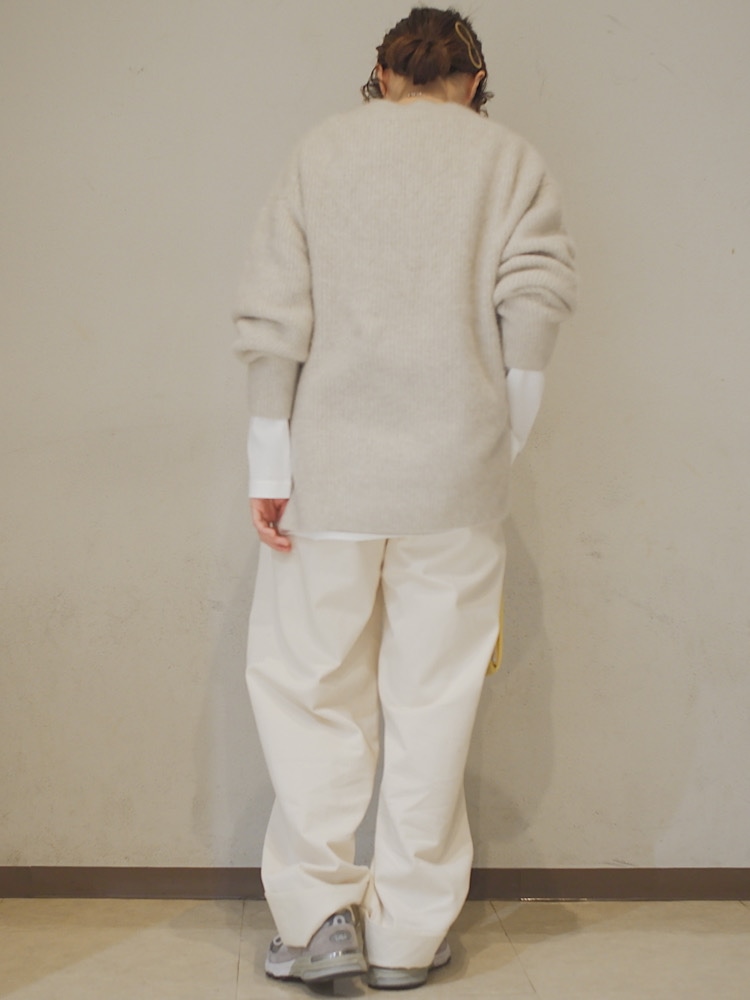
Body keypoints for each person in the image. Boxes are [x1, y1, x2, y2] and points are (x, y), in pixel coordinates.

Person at [233, 6, 576, 991]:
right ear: (475, 81)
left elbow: (275, 314)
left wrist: (269, 466)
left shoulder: (322, 152)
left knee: (311, 689)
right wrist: (492, 447)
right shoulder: (509, 161)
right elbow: (534, 311)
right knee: (434, 701)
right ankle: (407, 939)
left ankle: (318, 920)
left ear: (382, 74)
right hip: (456, 484)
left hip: (328, 473)